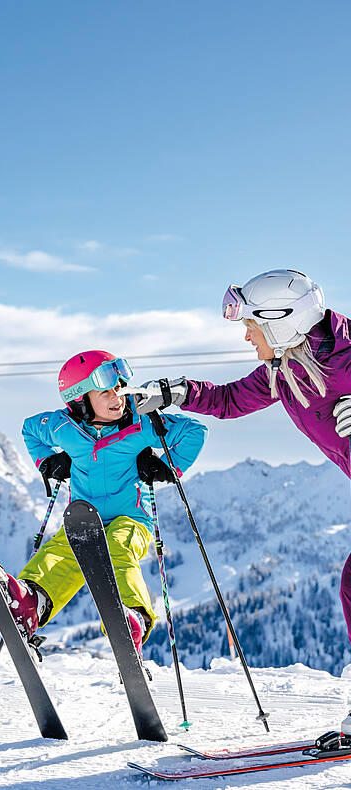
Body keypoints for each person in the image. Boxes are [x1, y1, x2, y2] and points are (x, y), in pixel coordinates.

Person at [125, 268, 351, 725]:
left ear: (280, 322)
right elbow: (229, 400)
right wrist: (175, 392)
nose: (247, 336)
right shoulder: (286, 370)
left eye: (251, 325)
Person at [0, 349, 207, 657]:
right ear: (80, 399)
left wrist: (167, 465)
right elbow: (30, 429)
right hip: (84, 519)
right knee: (60, 550)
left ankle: (132, 617)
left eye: (120, 387)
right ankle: (31, 604)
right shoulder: (62, 427)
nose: (117, 396)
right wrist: (48, 461)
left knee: (118, 549)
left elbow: (193, 431)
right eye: (105, 391)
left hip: (132, 520)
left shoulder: (142, 420)